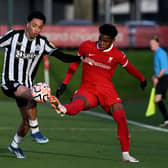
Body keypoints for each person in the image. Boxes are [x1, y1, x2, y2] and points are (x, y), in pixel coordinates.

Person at [50, 24, 147, 162]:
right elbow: (74, 64)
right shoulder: (86, 46)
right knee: (77, 104)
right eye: (100, 39)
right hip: (88, 88)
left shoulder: (118, 55)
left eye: (105, 41)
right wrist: (65, 83)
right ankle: (62, 108)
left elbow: (130, 68)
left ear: (113, 41)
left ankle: (125, 155)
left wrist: (142, 79)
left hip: (107, 90)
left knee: (121, 116)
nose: (101, 43)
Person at [0, 11, 83, 159]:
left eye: (39, 27)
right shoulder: (13, 36)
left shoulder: (42, 43)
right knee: (37, 92)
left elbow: (61, 56)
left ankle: (14, 145)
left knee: (26, 121)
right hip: (10, 82)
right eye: (34, 25)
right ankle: (36, 131)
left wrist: (80, 59)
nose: (36, 29)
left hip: (26, 86)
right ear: (27, 24)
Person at [149, 36, 168, 127]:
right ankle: (166, 119)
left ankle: (167, 119)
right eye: (150, 44)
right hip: (161, 77)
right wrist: (155, 76)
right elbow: (159, 67)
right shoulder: (156, 53)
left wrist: (157, 77)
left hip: (164, 77)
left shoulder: (160, 53)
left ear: (157, 43)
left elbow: (164, 68)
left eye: (152, 44)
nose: (151, 45)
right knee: (158, 99)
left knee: (157, 99)